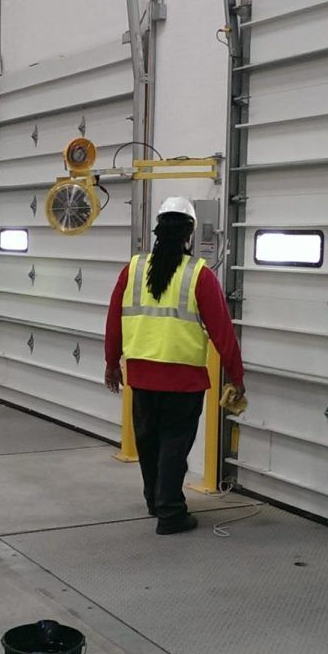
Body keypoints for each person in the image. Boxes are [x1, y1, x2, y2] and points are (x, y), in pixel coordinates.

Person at [104, 197, 245, 535]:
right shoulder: (199, 275)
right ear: (190, 233)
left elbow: (114, 320)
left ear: (157, 230)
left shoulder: (133, 269)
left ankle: (155, 501)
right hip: (184, 380)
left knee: (149, 442)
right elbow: (223, 331)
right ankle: (170, 512)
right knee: (174, 444)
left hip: (142, 375)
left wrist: (112, 363)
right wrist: (237, 377)